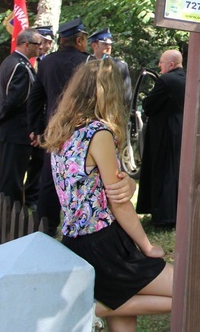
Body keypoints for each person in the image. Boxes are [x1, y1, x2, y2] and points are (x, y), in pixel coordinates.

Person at [43, 58, 173, 332]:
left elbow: (102, 187)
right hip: (105, 244)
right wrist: (147, 247)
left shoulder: (61, 129)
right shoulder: (97, 132)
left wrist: (130, 185)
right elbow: (118, 201)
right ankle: (93, 307)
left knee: (124, 322)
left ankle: (102, 305)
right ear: (108, 93)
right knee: (185, 290)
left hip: (76, 240)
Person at [28, 17, 134, 233]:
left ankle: (46, 225)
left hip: (56, 129)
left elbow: (35, 97)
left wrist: (37, 129)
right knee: (90, 176)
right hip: (84, 127)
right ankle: (90, 219)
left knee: (51, 177)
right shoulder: (88, 64)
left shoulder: (46, 62)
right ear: (79, 41)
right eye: (84, 39)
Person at [0, 28, 41, 204]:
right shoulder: (20, 66)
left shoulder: (9, 61)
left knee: (4, 172)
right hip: (16, 131)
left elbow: (3, 95)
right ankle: (10, 213)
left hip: (8, 130)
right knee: (12, 176)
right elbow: (15, 100)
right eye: (38, 44)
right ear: (27, 44)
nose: (41, 48)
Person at [135, 49, 186, 229]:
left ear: (170, 65)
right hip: (181, 130)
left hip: (164, 131)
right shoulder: (187, 79)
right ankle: (174, 213)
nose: (159, 65)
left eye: (162, 62)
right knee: (175, 171)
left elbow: (149, 105)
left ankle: (163, 216)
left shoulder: (166, 80)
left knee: (163, 171)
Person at [23, 25, 55, 207]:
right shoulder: (30, 61)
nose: (46, 46)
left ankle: (32, 196)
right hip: (28, 120)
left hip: (44, 120)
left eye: (50, 42)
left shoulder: (47, 62)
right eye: (44, 42)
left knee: (39, 162)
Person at [88, 28, 132, 105]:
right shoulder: (85, 64)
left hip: (112, 110)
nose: (109, 47)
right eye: (105, 44)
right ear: (95, 45)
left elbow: (126, 96)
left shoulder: (120, 66)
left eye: (110, 44)